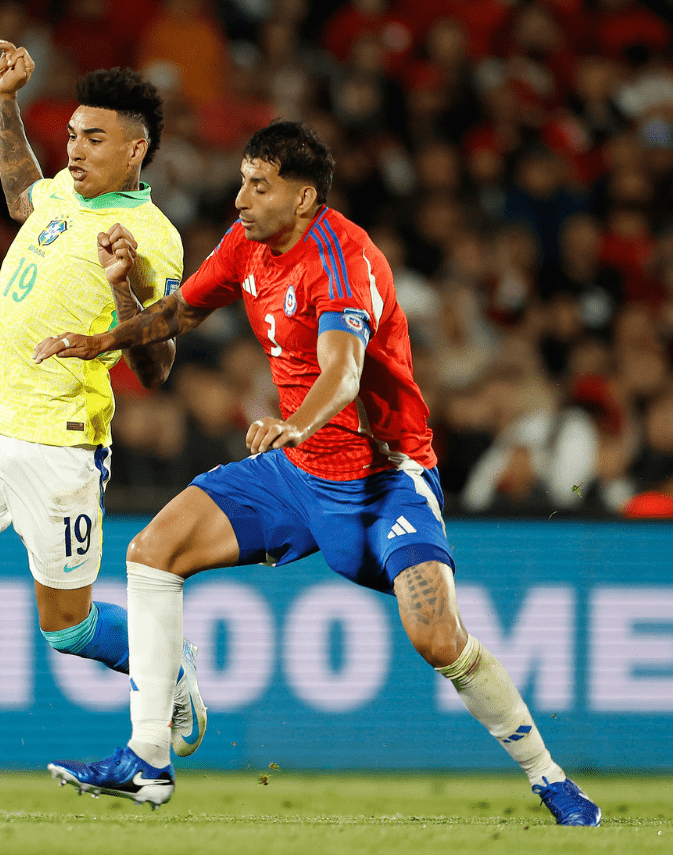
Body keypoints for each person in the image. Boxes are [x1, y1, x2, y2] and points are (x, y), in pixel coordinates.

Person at [33, 121, 601, 827]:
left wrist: (295, 421)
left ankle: (550, 778)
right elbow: (179, 312)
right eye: (242, 179)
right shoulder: (246, 245)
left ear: (303, 199)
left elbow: (345, 368)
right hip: (296, 473)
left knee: (437, 637)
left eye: (258, 185)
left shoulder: (342, 256)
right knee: (152, 552)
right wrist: (98, 340)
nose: (239, 197)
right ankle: (148, 755)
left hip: (383, 478)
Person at [0, 40, 208, 819]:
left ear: (137, 148)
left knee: (67, 630)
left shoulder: (155, 236)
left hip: (59, 440)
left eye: (93, 139)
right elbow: (24, 198)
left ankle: (164, 665)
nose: (75, 149)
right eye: (71, 135)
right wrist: (5, 105)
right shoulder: (63, 188)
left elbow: (158, 368)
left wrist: (126, 286)